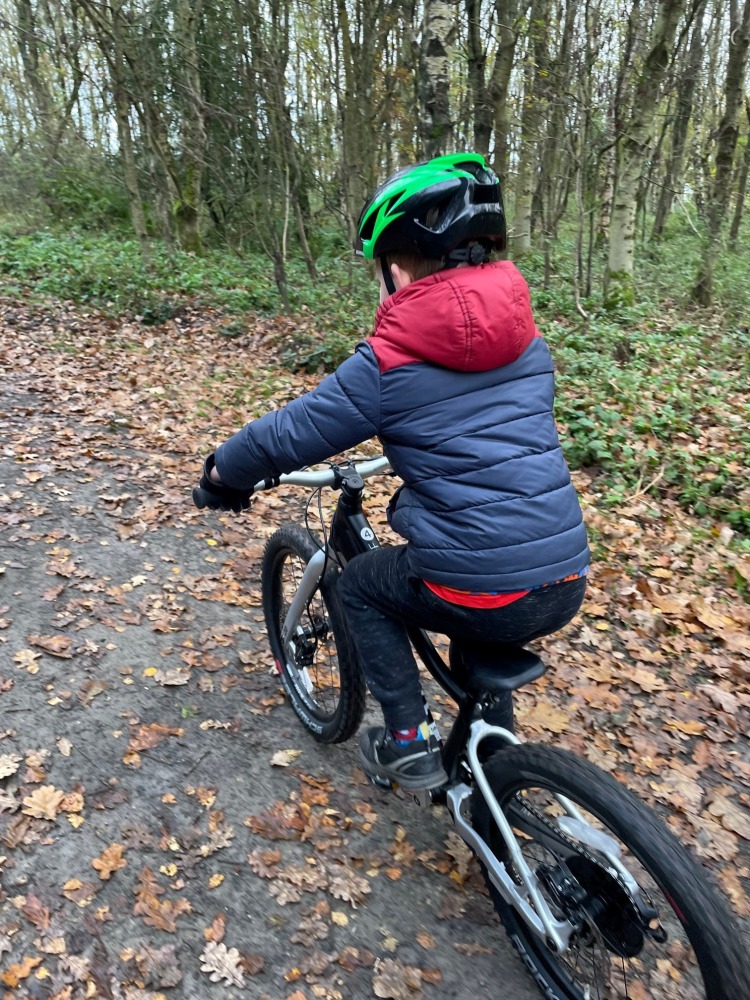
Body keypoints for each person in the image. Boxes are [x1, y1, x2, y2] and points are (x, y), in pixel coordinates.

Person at [195, 152, 589, 793]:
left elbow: (291, 433)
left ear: (399, 268)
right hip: (564, 572)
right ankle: (495, 764)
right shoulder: (527, 342)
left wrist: (223, 474)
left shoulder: (390, 361)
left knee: (359, 589)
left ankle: (407, 742)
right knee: (472, 592)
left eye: (378, 272)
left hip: (483, 582)